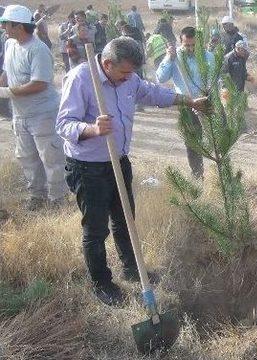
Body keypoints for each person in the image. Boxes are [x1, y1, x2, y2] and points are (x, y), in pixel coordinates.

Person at [56, 36, 208, 306]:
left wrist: (188, 101)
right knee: (96, 228)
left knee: (125, 218)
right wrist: (91, 129)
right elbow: (63, 124)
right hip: (88, 167)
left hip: (120, 160)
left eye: (132, 73)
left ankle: (132, 269)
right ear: (106, 64)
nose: (130, 78)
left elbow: (152, 92)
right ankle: (101, 284)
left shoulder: (130, 79)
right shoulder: (81, 79)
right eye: (125, 72)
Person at [0, 5, 66, 211]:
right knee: (27, 157)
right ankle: (37, 195)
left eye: (6, 24)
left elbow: (39, 83)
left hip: (42, 114)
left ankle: (57, 198)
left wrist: (7, 92)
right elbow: (6, 72)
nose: (3, 27)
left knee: (51, 157)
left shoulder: (38, 49)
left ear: (18, 26)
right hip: (20, 115)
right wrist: (2, 84)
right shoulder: (10, 44)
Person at [157, 26, 214, 179]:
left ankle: (219, 173)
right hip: (186, 104)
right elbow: (160, 78)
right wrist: (169, 58)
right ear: (181, 43)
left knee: (216, 140)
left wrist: (207, 98)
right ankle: (197, 175)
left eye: (193, 45)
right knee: (192, 142)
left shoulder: (208, 57)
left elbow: (213, 80)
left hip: (206, 101)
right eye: (186, 45)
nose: (190, 48)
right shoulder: (175, 57)